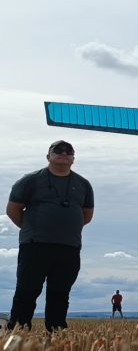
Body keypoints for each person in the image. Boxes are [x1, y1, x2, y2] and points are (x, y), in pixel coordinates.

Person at [5, 140, 94, 331]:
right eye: (58, 150)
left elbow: (87, 215)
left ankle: (56, 333)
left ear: (73, 158)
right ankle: (18, 331)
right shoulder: (30, 181)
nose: (63, 153)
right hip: (35, 245)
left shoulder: (83, 184)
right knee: (28, 290)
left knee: (60, 292)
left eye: (68, 151)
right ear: (48, 156)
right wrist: (32, 228)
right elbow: (13, 210)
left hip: (69, 247)